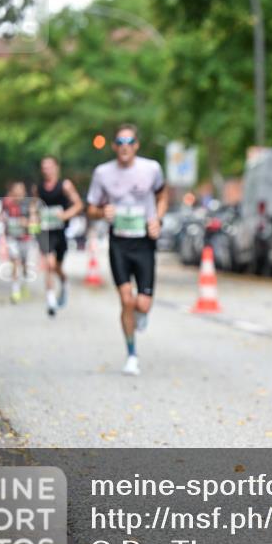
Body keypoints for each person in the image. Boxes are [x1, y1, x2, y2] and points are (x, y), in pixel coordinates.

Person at [86, 123, 168, 376]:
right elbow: (90, 208)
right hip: (119, 241)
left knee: (142, 304)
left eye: (129, 142)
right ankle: (132, 354)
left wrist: (158, 220)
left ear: (136, 145)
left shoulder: (151, 168)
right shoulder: (102, 173)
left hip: (144, 242)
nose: (124, 147)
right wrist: (102, 212)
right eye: (119, 143)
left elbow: (162, 195)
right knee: (125, 300)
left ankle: (141, 313)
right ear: (113, 147)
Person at [34, 156, 83, 317]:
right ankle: (50, 300)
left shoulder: (65, 185)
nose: (46, 170)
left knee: (57, 267)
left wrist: (65, 215)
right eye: (43, 167)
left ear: (56, 168)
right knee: (48, 264)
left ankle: (64, 281)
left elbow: (78, 205)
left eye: (49, 166)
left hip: (60, 232)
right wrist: (33, 218)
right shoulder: (39, 188)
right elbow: (34, 207)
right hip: (45, 231)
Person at [2, 181, 34, 303]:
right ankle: (15, 291)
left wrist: (27, 223)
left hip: (25, 238)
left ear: (24, 192)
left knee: (25, 264)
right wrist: (4, 221)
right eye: (16, 190)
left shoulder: (28, 204)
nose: (18, 193)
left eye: (20, 190)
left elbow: (35, 224)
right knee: (15, 261)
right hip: (12, 238)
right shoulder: (7, 203)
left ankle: (24, 282)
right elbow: (3, 216)